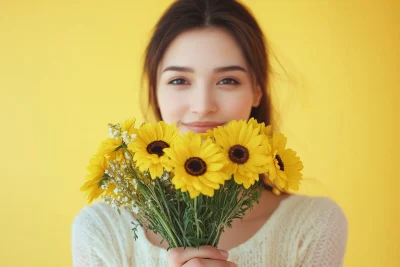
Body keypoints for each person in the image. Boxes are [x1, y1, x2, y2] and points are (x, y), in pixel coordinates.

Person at [72, 0, 348, 266]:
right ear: (155, 92)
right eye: (179, 80)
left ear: (257, 91)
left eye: (228, 80)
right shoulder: (102, 231)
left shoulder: (312, 226)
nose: (203, 107)